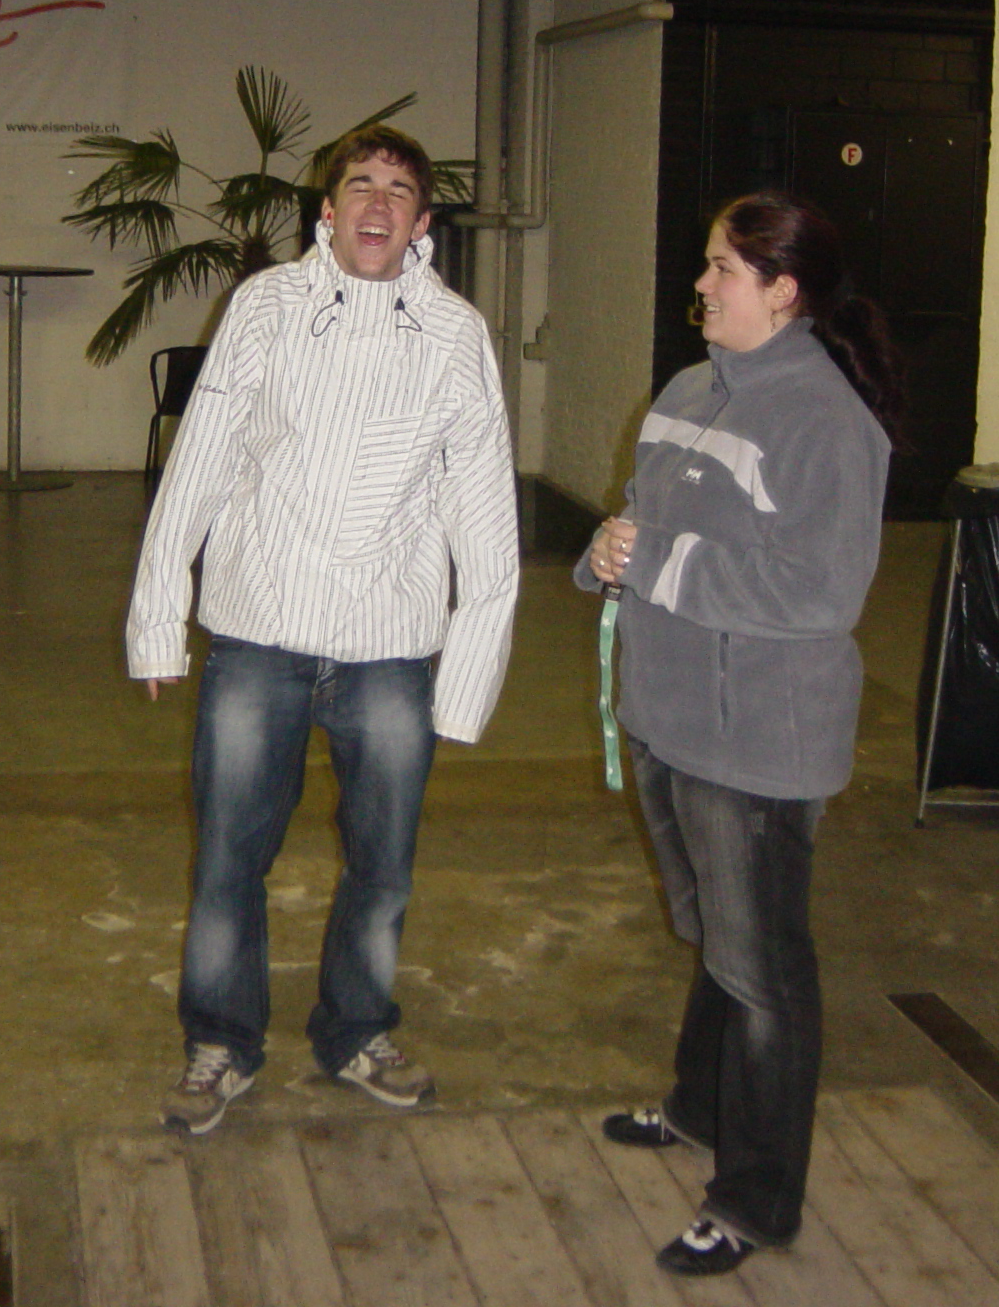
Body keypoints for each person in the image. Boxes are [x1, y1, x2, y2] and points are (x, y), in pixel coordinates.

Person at [127, 125, 518, 1136]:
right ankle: (221, 1042)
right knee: (228, 861)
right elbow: (201, 463)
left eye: (400, 191)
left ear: (421, 224)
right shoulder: (264, 308)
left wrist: (466, 681)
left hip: (390, 650)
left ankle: (357, 1033)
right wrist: (158, 621)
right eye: (360, 185)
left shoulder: (456, 334)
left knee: (382, 869)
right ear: (328, 210)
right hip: (259, 636)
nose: (378, 204)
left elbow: (483, 508)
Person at [579, 193, 900, 1277]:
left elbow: (821, 592)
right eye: (709, 263)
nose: (702, 283)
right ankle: (698, 1107)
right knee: (721, 938)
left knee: (763, 972)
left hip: (757, 744)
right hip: (670, 717)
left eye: (722, 268)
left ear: (783, 291)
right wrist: (608, 552)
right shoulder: (687, 391)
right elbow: (642, 520)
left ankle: (756, 1200)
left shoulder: (824, 421)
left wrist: (657, 562)